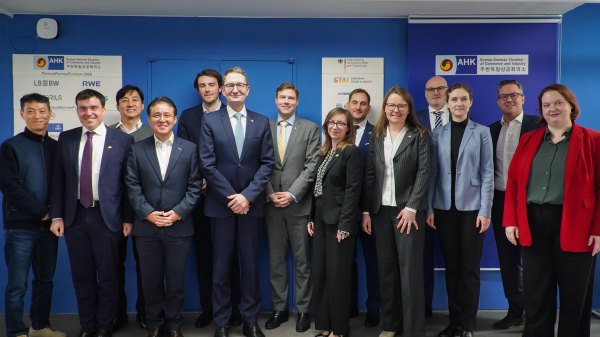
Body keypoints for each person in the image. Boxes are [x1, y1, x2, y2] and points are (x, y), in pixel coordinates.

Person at [504, 84, 600, 337]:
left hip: (577, 223)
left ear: (570, 105)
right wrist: (510, 221)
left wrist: (598, 230)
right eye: (546, 105)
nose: (552, 109)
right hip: (533, 222)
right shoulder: (529, 140)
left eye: (558, 103)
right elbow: (513, 184)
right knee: (536, 292)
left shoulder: (593, 139)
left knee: (574, 294)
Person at [50, 89, 134, 337]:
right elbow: (58, 181)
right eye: (83, 108)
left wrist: (128, 217)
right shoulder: (66, 138)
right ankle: (88, 327)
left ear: (103, 109)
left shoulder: (121, 140)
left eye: (94, 107)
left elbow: (129, 184)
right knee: (82, 276)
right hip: (74, 216)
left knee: (108, 276)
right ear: (77, 111)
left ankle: (104, 327)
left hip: (108, 217)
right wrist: (56, 216)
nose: (89, 113)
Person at [199, 66, 274, 337]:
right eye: (229, 85)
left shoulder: (261, 121)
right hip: (220, 206)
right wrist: (233, 197)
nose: (235, 89)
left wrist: (247, 197)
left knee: (251, 265)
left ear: (248, 89)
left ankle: (250, 321)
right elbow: (207, 165)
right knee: (220, 267)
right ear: (223, 90)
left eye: (240, 85)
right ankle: (221, 322)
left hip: (251, 206)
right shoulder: (210, 121)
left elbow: (267, 164)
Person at [125, 96, 202, 337]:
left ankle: (175, 325)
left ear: (175, 119)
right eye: (156, 115)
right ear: (149, 119)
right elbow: (132, 186)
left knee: (176, 282)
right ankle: (156, 325)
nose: (162, 119)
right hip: (146, 229)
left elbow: (195, 186)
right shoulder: (137, 149)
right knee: (150, 281)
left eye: (167, 115)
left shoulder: (190, 149)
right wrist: (148, 214)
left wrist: (177, 213)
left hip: (178, 227)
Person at [177, 69, 244, 329]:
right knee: (205, 256)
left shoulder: (234, 115)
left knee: (230, 256)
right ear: (198, 90)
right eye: (202, 86)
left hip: (228, 197)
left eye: (212, 85)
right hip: (199, 196)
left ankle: (234, 308)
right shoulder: (188, 117)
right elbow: (183, 153)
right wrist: (199, 180)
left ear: (221, 89)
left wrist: (219, 183)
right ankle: (210, 309)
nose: (207, 89)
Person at [426, 83, 494, 337]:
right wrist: (430, 207)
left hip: (472, 209)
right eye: (454, 99)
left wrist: (485, 210)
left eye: (463, 99)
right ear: (447, 102)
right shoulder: (438, 134)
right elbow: (432, 173)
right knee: (452, 267)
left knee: (469, 268)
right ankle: (454, 323)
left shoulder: (482, 132)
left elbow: (488, 173)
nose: (458, 104)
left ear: (470, 102)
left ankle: (467, 324)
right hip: (444, 209)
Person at [361, 86, 430, 337]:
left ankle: (413, 330)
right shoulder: (377, 135)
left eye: (401, 105)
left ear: (408, 109)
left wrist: (412, 207)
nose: (395, 110)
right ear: (385, 108)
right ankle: (390, 326)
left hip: (408, 213)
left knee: (410, 272)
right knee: (386, 271)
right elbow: (370, 175)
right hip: (380, 213)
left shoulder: (420, 135)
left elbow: (424, 173)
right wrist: (367, 212)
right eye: (391, 105)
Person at [0, 94, 65, 337]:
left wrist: (56, 216)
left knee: (45, 281)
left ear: (50, 114)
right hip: (20, 227)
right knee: (17, 285)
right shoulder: (11, 146)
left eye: (41, 111)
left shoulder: (57, 147)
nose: (37, 116)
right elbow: (9, 186)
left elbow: (62, 185)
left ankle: (39, 326)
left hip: (49, 227)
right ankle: (16, 331)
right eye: (31, 111)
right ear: (22, 115)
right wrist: (44, 212)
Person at [264, 83, 320, 332]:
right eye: (282, 97)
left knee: (302, 262)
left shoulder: (310, 128)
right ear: (275, 100)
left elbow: (311, 167)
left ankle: (304, 311)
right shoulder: (263, 128)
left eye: (291, 98)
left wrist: (291, 194)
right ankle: (279, 309)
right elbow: (258, 165)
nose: (286, 101)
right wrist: (270, 193)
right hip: (271, 205)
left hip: (299, 206)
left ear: (297, 101)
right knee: (276, 261)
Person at [487, 80, 542, 330]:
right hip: (500, 201)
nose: (509, 99)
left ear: (523, 98)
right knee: (507, 259)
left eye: (514, 95)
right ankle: (515, 311)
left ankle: (537, 313)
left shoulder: (538, 126)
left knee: (534, 258)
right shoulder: (489, 131)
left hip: (531, 201)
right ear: (498, 102)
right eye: (503, 96)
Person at [308, 108, 364, 337]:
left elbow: (353, 192)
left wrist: (345, 224)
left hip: (339, 222)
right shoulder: (324, 152)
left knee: (338, 275)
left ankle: (340, 330)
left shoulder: (351, 152)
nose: (335, 127)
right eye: (331, 122)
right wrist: (312, 217)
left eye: (341, 123)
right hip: (320, 220)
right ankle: (325, 326)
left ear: (348, 128)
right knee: (321, 273)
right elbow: (317, 188)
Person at [108, 84, 154, 331]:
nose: (130, 104)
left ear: (142, 105)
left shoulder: (152, 132)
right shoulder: (106, 133)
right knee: (114, 264)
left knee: (145, 265)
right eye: (124, 100)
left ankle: (146, 313)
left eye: (135, 99)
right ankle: (117, 313)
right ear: (117, 106)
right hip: (112, 209)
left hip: (144, 210)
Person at [346, 88, 381, 327]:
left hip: (371, 209)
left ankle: (374, 308)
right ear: (347, 105)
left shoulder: (377, 133)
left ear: (369, 108)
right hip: (344, 211)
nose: (358, 107)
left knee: (373, 260)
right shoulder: (337, 131)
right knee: (346, 260)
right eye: (354, 103)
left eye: (363, 104)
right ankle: (348, 306)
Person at [415, 75, 449, 317]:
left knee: (455, 258)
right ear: (425, 93)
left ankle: (457, 312)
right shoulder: (413, 119)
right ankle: (424, 305)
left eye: (440, 88)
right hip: (419, 198)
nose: (435, 92)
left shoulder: (462, 117)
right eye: (430, 89)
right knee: (422, 256)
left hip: (452, 200)